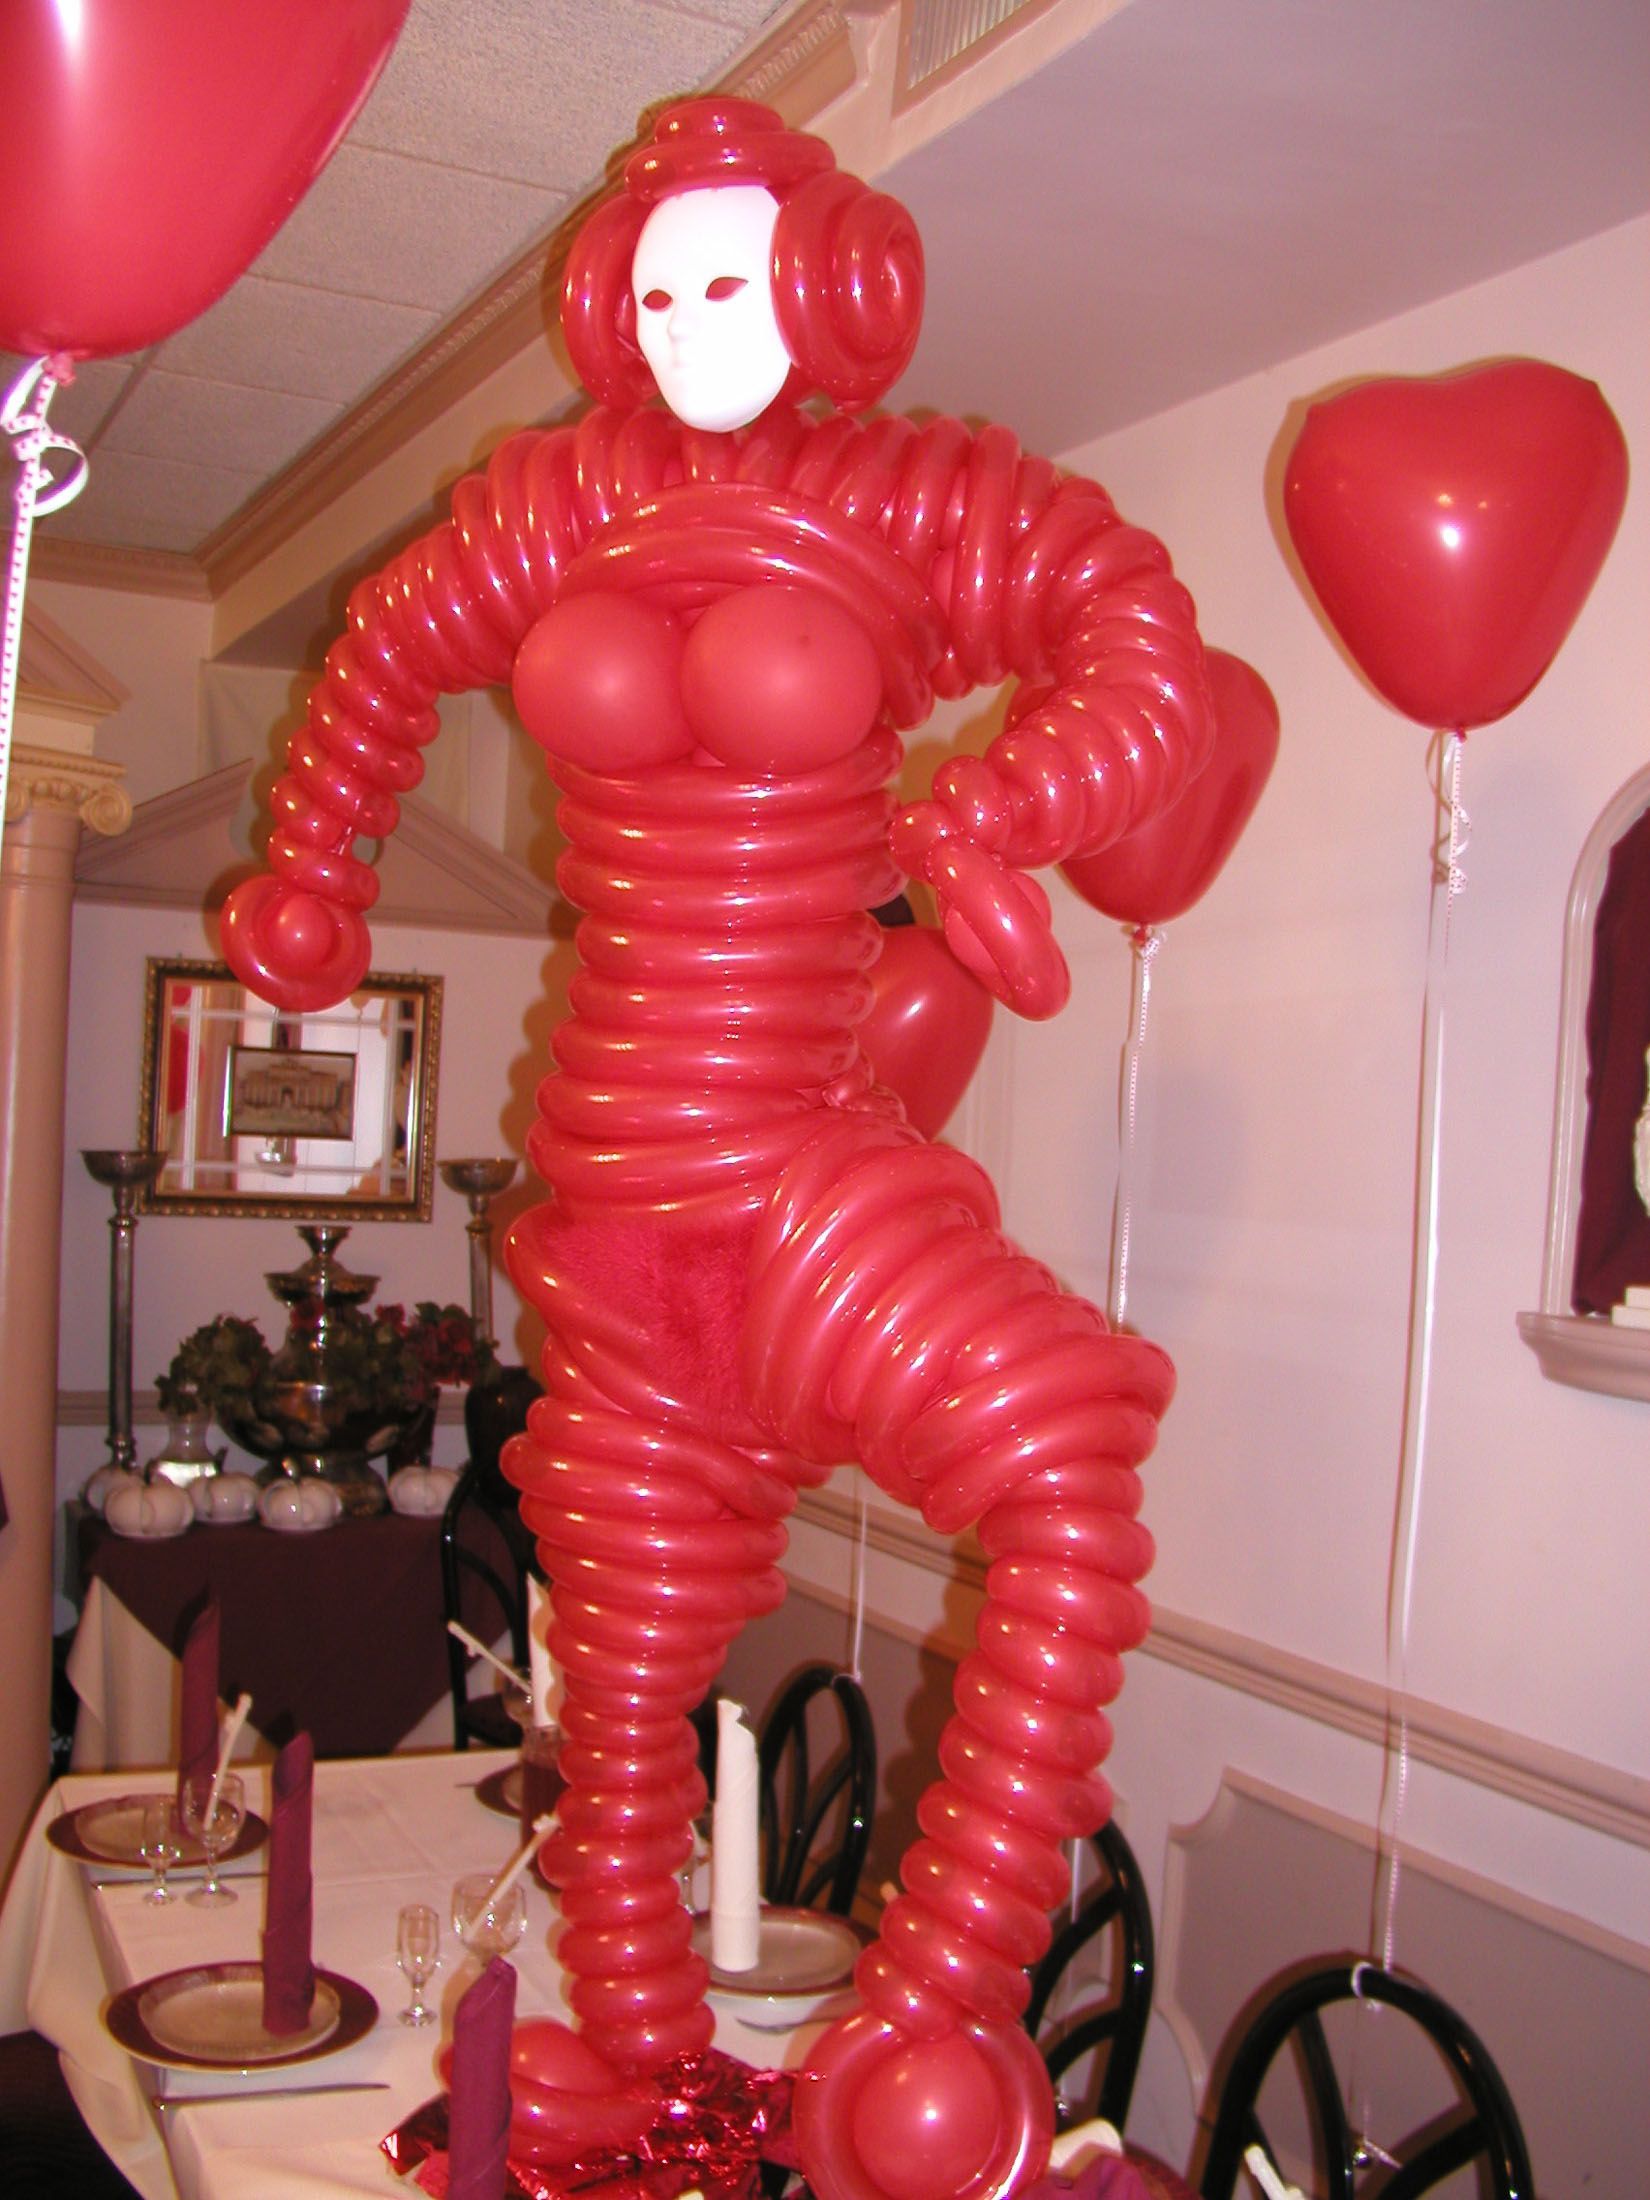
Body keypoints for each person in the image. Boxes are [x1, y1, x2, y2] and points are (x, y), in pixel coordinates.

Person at [223, 96, 1214, 2200]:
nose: (691, 321)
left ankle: (931, 2015)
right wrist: (309, 876)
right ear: (606, 304)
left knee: (1064, 1461)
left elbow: (1144, 649)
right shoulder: (556, 499)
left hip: (795, 1177)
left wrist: (989, 813)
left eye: (736, 276)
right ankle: (653, 2072)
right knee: (632, 1672)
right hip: (614, 1219)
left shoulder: (915, 497)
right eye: (656, 282)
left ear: (837, 284)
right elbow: (382, 655)